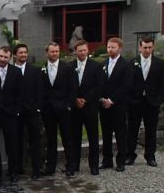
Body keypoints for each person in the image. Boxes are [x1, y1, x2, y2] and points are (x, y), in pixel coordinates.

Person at [126, 37, 164, 167]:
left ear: (153, 47)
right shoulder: (132, 63)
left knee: (151, 130)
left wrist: (158, 100)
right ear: (140, 48)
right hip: (135, 102)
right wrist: (130, 100)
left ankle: (150, 156)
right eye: (145, 47)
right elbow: (127, 84)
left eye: (150, 47)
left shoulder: (160, 63)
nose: (147, 50)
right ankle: (130, 155)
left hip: (151, 102)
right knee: (132, 129)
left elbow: (163, 84)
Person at [40, 42, 76, 176]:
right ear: (47, 53)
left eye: (56, 51)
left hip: (63, 109)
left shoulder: (67, 68)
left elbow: (73, 88)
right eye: (52, 51)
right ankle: (50, 167)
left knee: (67, 138)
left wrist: (68, 105)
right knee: (51, 139)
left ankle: (71, 166)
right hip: (48, 110)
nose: (55, 54)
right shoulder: (42, 69)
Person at [0, 45, 22, 186]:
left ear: (10, 58)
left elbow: (20, 94)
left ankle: (14, 172)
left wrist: (15, 111)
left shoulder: (16, 72)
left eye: (6, 57)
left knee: (12, 145)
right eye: (1, 56)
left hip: (10, 115)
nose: (2, 59)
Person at [69, 39, 104, 175]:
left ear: (88, 50)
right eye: (80, 50)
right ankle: (74, 164)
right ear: (75, 51)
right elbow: (69, 86)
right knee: (75, 137)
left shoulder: (96, 66)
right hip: (75, 108)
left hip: (90, 107)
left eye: (84, 50)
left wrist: (85, 99)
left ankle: (93, 165)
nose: (82, 52)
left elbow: (99, 86)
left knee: (93, 137)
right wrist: (75, 100)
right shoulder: (70, 66)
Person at [100, 36, 133, 172]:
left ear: (119, 48)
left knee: (120, 134)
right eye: (108, 47)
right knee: (106, 134)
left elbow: (126, 86)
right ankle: (107, 160)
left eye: (113, 47)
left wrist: (112, 100)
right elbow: (100, 83)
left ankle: (121, 161)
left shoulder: (126, 65)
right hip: (104, 106)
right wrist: (102, 99)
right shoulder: (103, 64)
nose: (110, 49)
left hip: (118, 105)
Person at [13, 43, 43, 179]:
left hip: (32, 112)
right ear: (15, 55)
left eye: (25, 52)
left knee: (35, 141)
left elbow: (40, 90)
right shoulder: (11, 71)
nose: (24, 55)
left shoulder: (35, 71)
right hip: (16, 113)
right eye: (21, 52)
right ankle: (19, 168)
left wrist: (37, 107)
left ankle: (36, 169)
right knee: (17, 141)